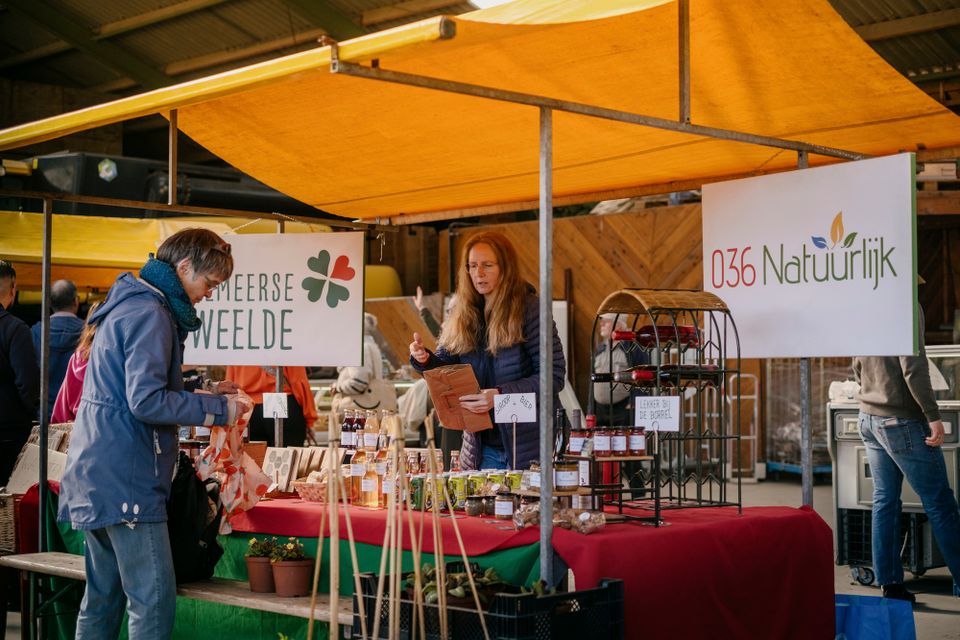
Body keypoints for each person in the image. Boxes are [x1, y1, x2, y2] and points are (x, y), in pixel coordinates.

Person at [58, 229, 251, 640]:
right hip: (128, 480)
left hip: (97, 473)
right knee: (153, 600)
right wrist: (220, 410)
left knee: (102, 599)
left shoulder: (132, 303)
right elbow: (144, 401)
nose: (209, 294)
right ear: (183, 269)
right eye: (209, 284)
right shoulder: (151, 312)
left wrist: (201, 389)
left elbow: (136, 388)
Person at [409, 230, 565, 470]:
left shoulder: (531, 309)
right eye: (472, 266)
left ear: (506, 267)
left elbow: (552, 377)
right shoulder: (461, 312)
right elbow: (445, 368)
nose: (478, 274)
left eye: (487, 265)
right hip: (481, 449)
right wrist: (424, 359)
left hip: (531, 447)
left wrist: (499, 396)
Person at [853, 306, 960, 603]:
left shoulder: (867, 307)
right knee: (940, 502)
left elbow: (857, 363)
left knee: (884, 500)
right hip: (901, 420)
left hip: (869, 417)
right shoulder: (907, 305)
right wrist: (932, 414)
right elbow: (913, 367)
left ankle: (890, 584)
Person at [0, 260, 39, 484]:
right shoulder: (15, 329)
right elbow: (28, 383)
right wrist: (29, 411)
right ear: (12, 290)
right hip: (8, 432)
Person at [225, 365, 317, 447]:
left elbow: (230, 383)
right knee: (287, 460)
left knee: (254, 462)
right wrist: (310, 419)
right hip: (282, 402)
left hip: (247, 408)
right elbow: (298, 381)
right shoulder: (285, 346)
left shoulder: (238, 347)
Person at [31, 279, 83, 421]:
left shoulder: (36, 332)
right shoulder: (89, 333)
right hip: (76, 416)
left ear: (49, 303)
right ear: (76, 301)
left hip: (43, 414)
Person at [50, 301, 100, 424]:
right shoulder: (113, 359)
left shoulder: (77, 358)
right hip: (104, 429)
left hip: (76, 430)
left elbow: (62, 407)